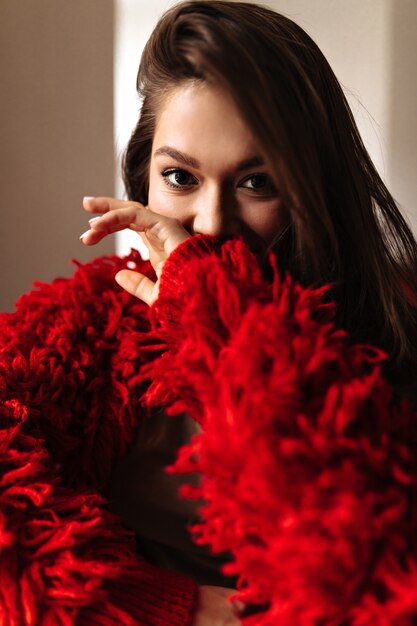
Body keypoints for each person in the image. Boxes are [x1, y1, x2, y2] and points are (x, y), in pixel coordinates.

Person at [1, 1, 416, 625]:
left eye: (256, 183)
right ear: (143, 177)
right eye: (180, 177)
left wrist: (218, 313)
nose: (212, 222)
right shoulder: (90, 321)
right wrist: (173, 608)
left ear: (314, 189)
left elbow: (364, 558)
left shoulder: (388, 337)